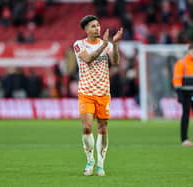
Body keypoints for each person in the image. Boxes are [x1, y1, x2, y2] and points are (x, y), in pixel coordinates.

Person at [73, 15, 123, 176]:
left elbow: (115, 61)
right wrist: (105, 46)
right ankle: (90, 160)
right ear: (86, 29)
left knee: (103, 128)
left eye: (98, 25)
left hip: (103, 93)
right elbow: (88, 59)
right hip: (86, 93)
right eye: (93, 26)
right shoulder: (79, 45)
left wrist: (114, 45)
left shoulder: (106, 44)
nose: (97, 28)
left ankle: (101, 163)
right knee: (87, 127)